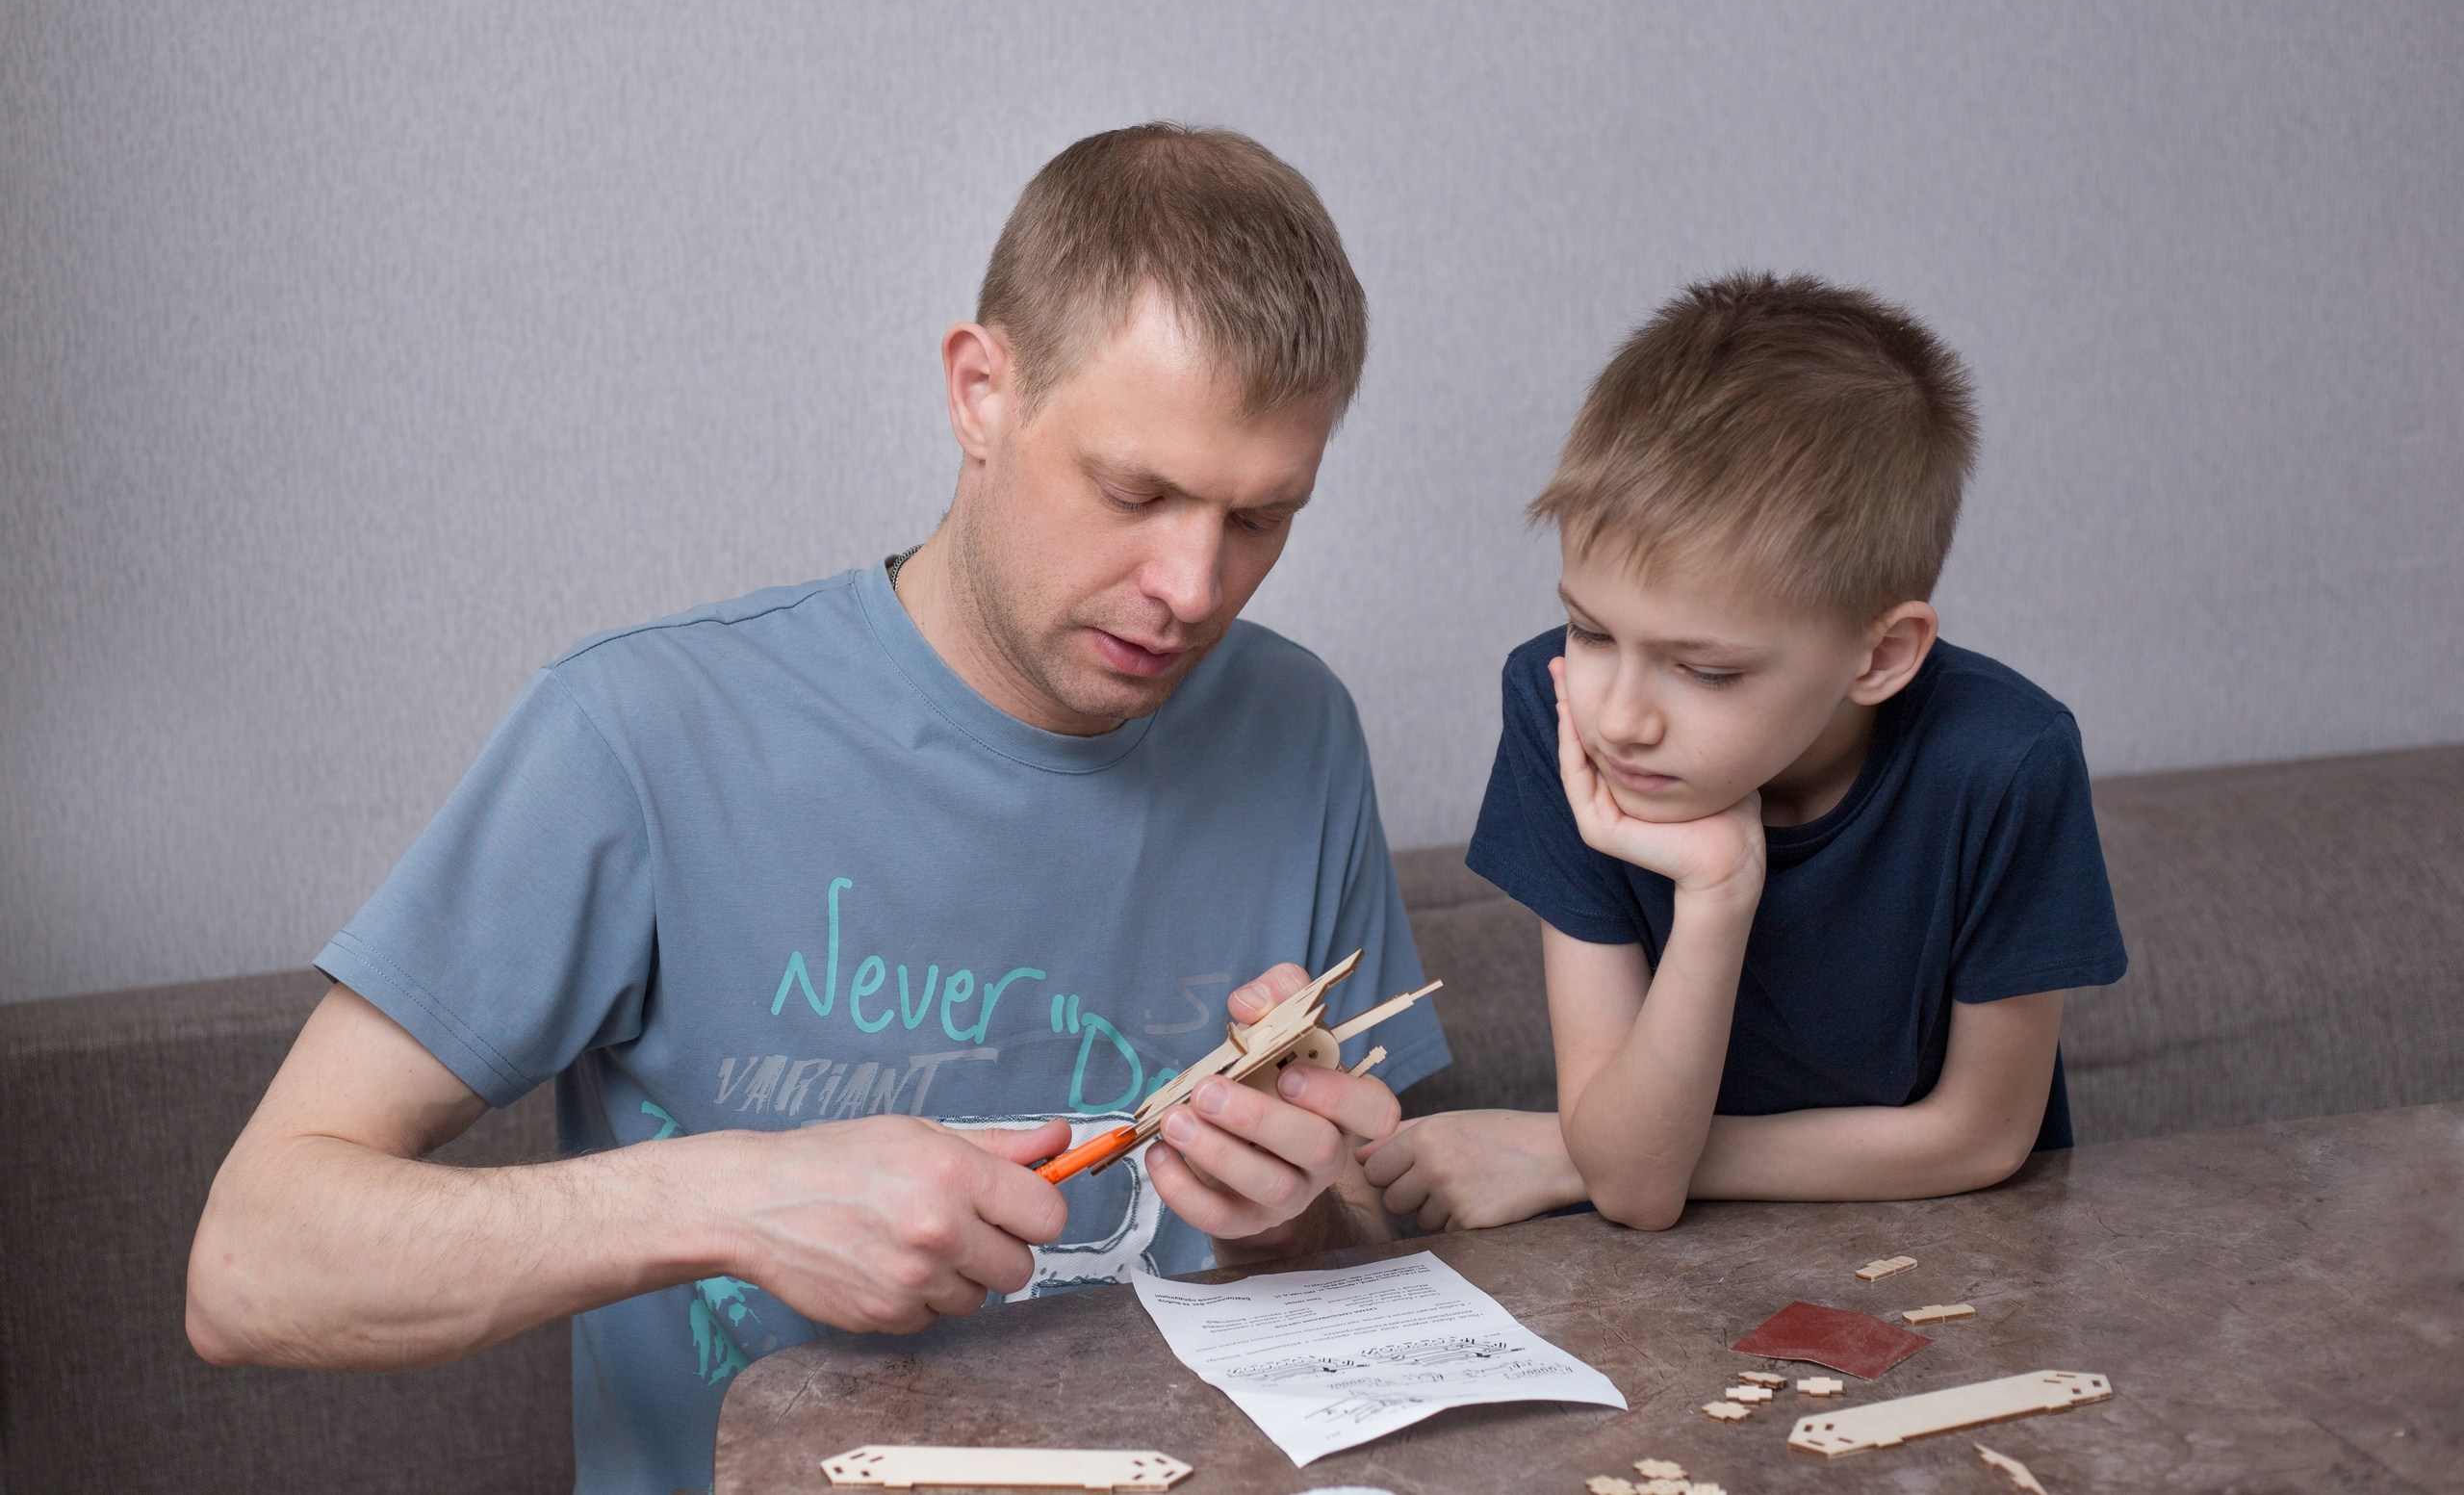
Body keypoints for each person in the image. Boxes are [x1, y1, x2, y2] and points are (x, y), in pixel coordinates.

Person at [186, 123, 1449, 1494]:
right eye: (1135, 491)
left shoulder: (1298, 727)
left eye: (1260, 518)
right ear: (980, 391)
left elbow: (1378, 1255)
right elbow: (254, 1264)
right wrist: (734, 1198)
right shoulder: (638, 734)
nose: (1196, 587)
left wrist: (1287, 1217)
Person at [1360, 272, 2124, 1233]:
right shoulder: (1557, 707)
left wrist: (1571, 1151)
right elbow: (1637, 1191)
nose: (1624, 717)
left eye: (1707, 671)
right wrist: (1718, 896)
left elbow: (1980, 1137)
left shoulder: (2005, 764)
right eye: (1590, 631)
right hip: (1674, 1283)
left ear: (1880, 656)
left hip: (1960, 1258)